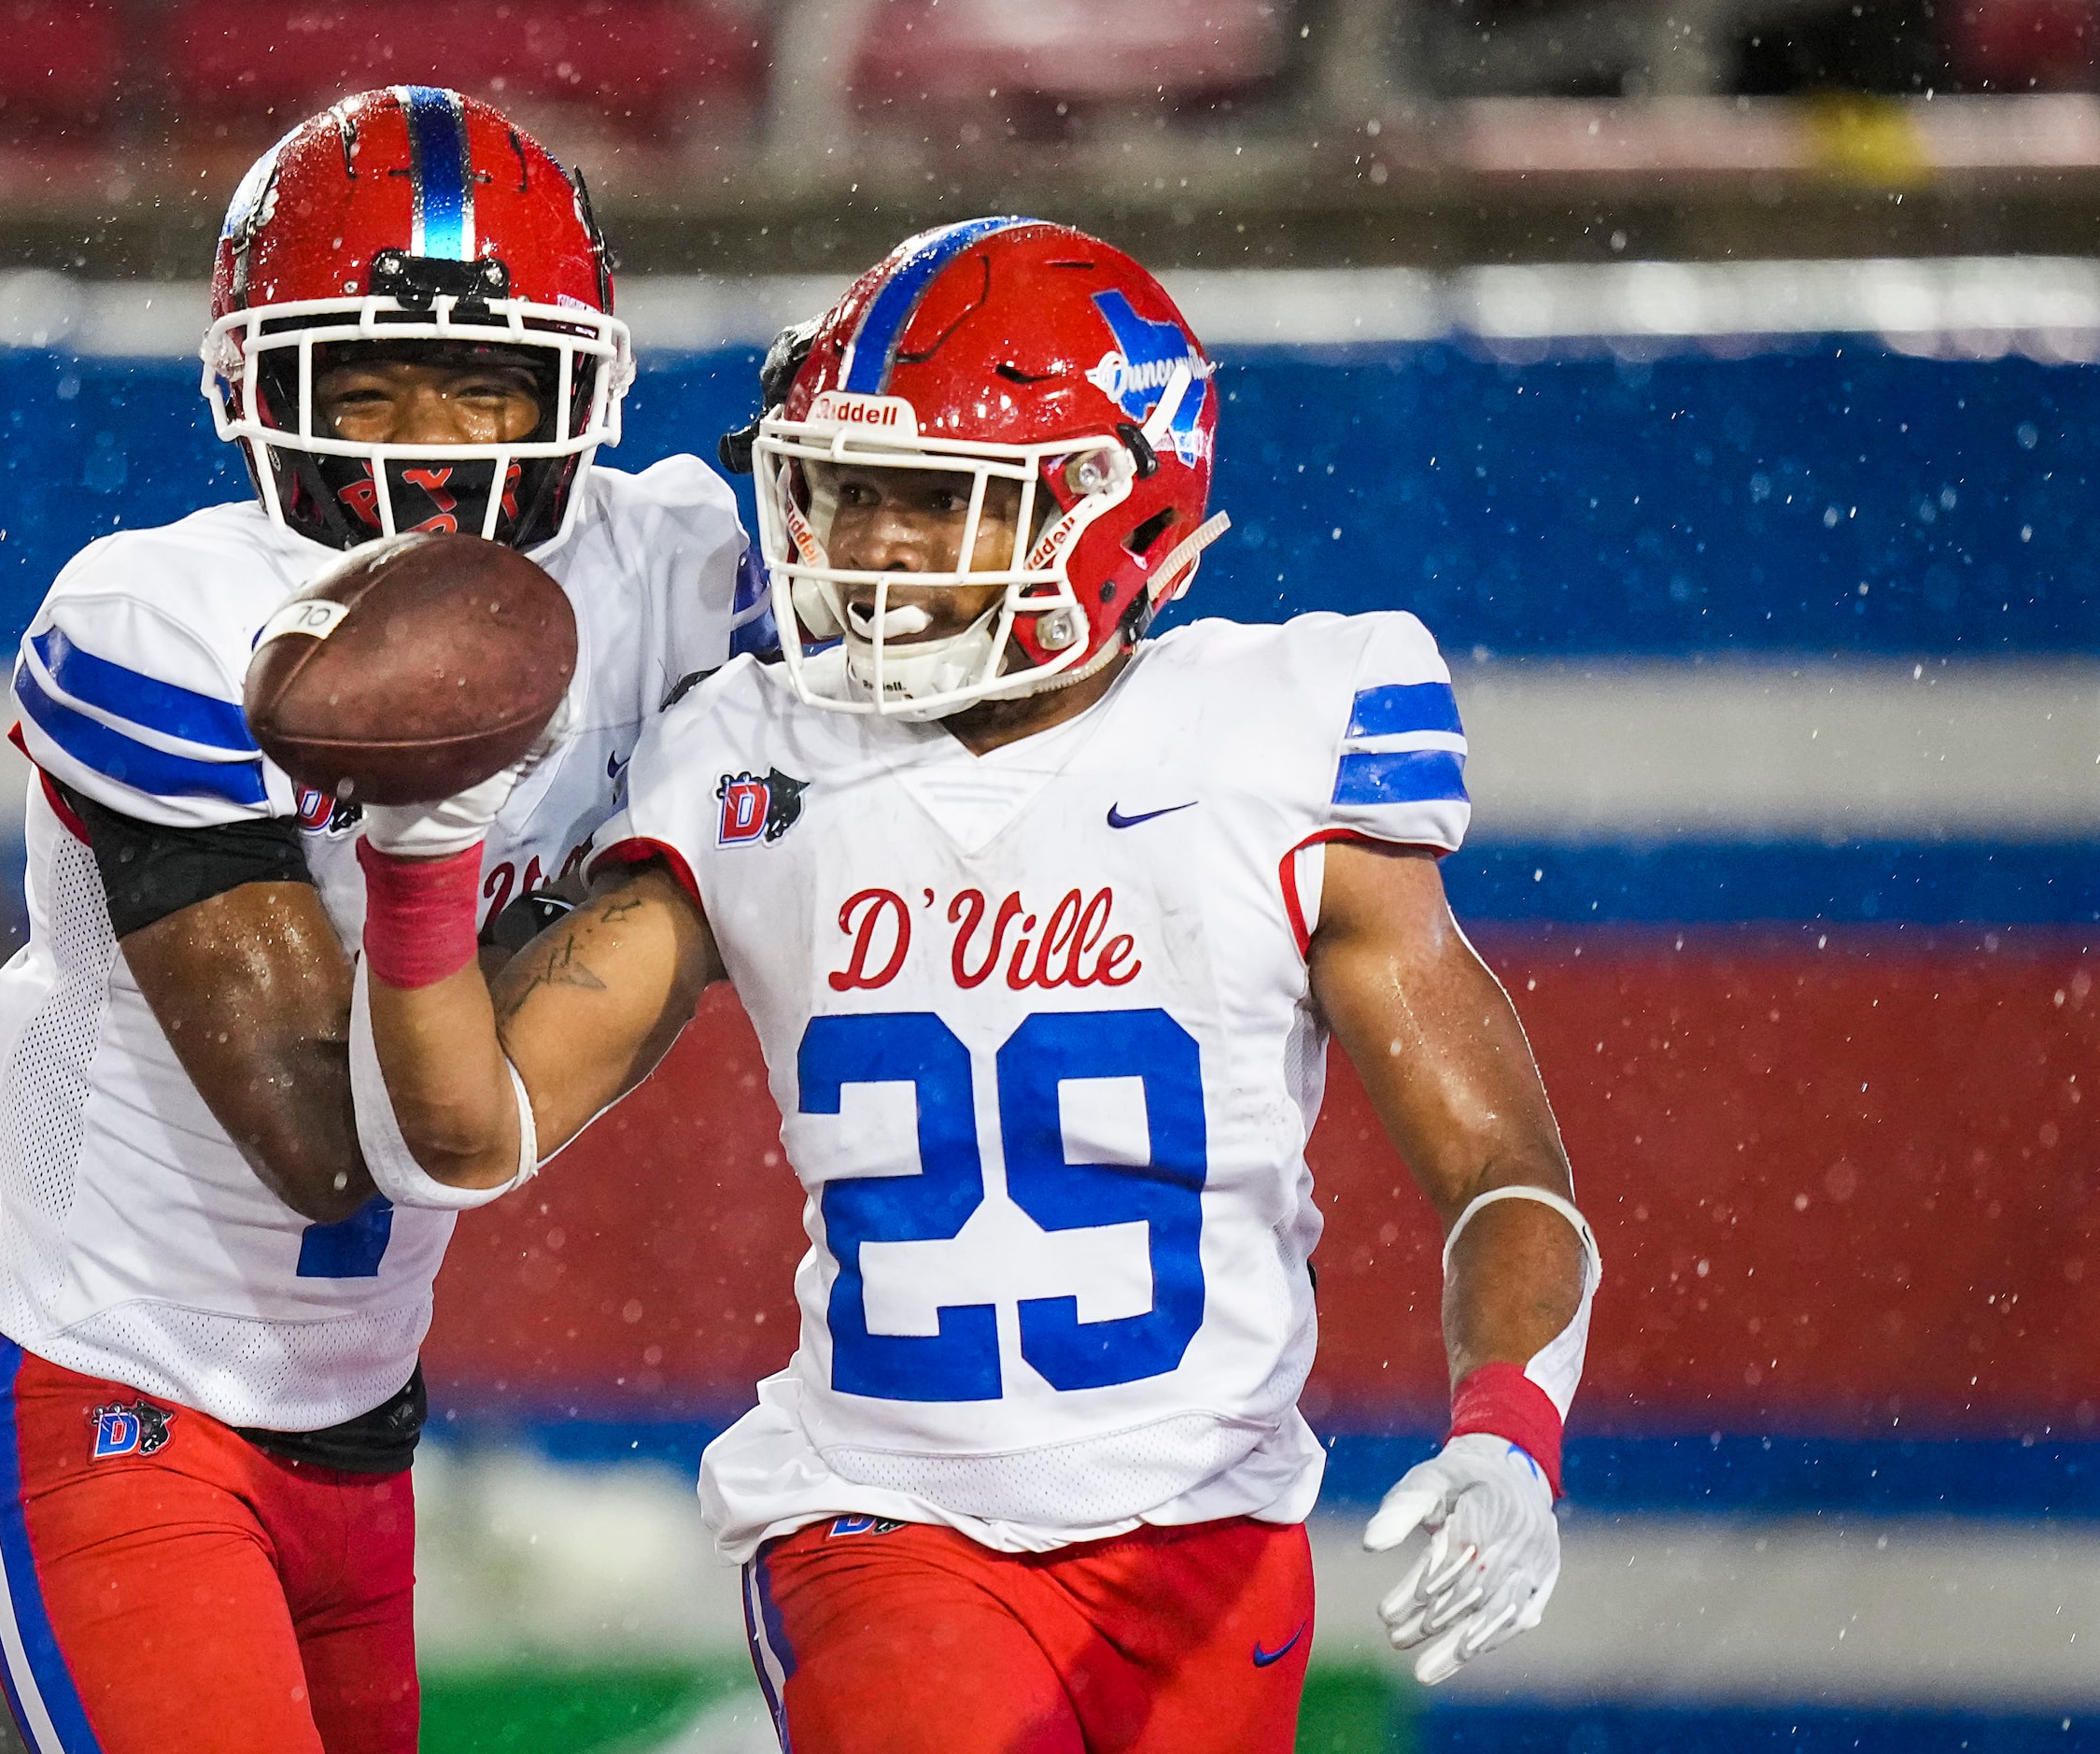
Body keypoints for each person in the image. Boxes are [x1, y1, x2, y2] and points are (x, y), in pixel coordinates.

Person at [340, 218, 1600, 1753]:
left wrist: (1510, 1437)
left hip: (1211, 1531)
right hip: (880, 1514)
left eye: (932, 502)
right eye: (844, 489)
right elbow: (472, 1130)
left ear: (1117, 511)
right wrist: (419, 858)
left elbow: (1500, 1174)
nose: (865, 547)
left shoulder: (1273, 739)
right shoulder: (751, 750)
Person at [0, 86, 766, 1754]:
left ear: (578, 391)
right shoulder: (161, 618)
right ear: (259, 398)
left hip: (358, 1420)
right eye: (364, 383)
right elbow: (331, 1134)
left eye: (485, 383)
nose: (433, 446)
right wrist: (601, 892)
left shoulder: (672, 565)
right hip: (118, 1395)